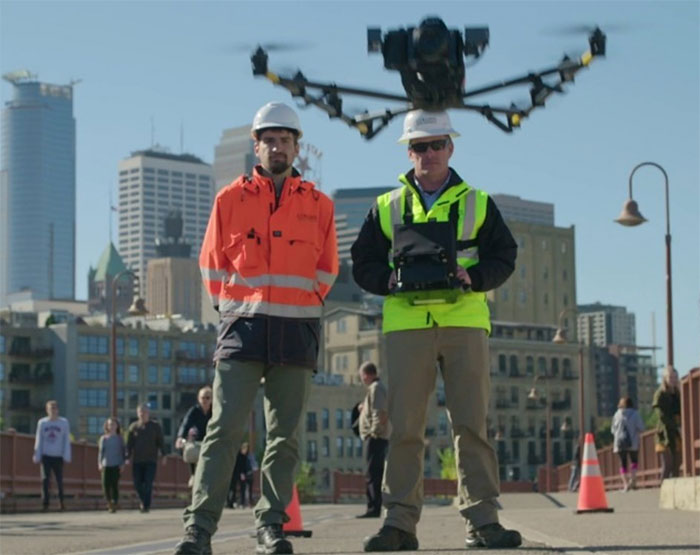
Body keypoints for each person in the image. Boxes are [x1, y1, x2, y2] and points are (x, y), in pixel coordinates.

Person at [351, 109, 521, 551]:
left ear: (451, 147)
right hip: (408, 324)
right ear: (409, 152)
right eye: (420, 146)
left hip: (464, 321)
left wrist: (475, 278)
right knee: (405, 427)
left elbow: (505, 255)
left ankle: (482, 520)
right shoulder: (387, 206)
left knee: (472, 425)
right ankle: (400, 524)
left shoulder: (478, 203)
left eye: (436, 144)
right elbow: (362, 261)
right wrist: (384, 280)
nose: (428, 153)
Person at [174, 102, 338, 555]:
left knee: (284, 437)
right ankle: (199, 528)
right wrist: (230, 309)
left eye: (285, 140)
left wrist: (305, 304)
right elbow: (211, 262)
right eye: (270, 139)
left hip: (295, 333)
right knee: (223, 430)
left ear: (296, 147)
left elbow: (327, 268)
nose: (277, 147)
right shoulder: (229, 199)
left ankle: (271, 525)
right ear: (257, 145)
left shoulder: (319, 205)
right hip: (241, 330)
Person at [356, 361, 390, 519]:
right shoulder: (375, 389)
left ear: (366, 374)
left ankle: (373, 508)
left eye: (361, 376)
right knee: (373, 472)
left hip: (376, 437)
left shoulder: (376, 388)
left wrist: (374, 432)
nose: (361, 379)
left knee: (372, 473)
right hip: (375, 436)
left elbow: (380, 413)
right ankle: (373, 506)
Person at [126, 403, 165, 513]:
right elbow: (129, 444)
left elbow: (160, 441)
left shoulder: (155, 426)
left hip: (151, 460)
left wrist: (163, 454)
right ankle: (144, 501)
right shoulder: (133, 427)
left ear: (148, 413)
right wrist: (127, 456)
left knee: (148, 483)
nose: (142, 414)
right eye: (140, 412)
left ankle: (145, 505)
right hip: (137, 460)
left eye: (144, 412)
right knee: (137, 483)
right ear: (138, 414)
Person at [33, 400, 71, 511]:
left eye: (54, 408)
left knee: (59, 479)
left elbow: (66, 440)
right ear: (47, 410)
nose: (53, 410)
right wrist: (37, 454)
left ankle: (61, 502)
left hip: (58, 455)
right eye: (51, 408)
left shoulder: (63, 422)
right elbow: (38, 438)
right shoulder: (42, 423)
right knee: (45, 479)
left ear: (58, 410)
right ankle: (45, 503)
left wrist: (66, 455)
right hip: (46, 455)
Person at [176, 386, 213, 486]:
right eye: (202, 398)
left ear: (212, 399)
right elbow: (186, 423)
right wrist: (180, 437)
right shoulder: (194, 411)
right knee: (190, 449)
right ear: (198, 399)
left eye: (207, 398)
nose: (205, 400)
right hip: (198, 439)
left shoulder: (215, 411)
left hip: (211, 439)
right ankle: (193, 475)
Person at [653, 366, 682, 479]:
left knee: (677, 464)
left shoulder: (678, 393)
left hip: (676, 433)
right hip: (664, 433)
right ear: (665, 378)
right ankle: (662, 490)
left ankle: (674, 490)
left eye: (675, 377)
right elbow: (660, 415)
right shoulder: (660, 394)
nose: (673, 380)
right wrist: (675, 426)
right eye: (670, 377)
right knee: (667, 465)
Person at [611, 397, 645, 491]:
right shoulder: (635, 414)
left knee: (623, 463)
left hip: (620, 443)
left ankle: (625, 484)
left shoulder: (616, 415)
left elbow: (613, 430)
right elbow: (641, 428)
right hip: (633, 442)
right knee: (634, 461)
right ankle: (633, 480)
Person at [98, 417, 125, 512]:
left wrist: (122, 464)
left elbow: (123, 452)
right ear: (107, 426)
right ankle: (109, 502)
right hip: (106, 464)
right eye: (110, 424)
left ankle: (115, 502)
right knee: (105, 484)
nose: (112, 426)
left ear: (117, 426)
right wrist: (100, 463)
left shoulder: (120, 439)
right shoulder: (104, 438)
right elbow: (101, 452)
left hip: (116, 464)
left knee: (114, 485)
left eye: (113, 424)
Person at [227, 442, 253, 509]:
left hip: (237, 474)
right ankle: (232, 502)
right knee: (234, 489)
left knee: (237, 489)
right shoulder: (240, 456)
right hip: (236, 474)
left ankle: (235, 502)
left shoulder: (238, 456)